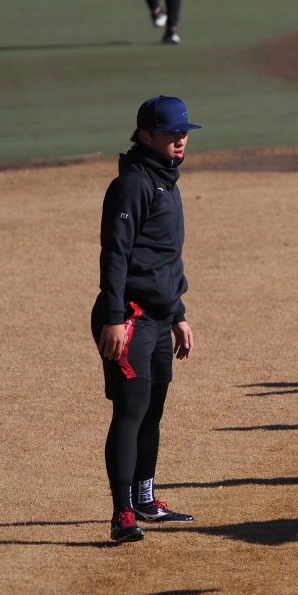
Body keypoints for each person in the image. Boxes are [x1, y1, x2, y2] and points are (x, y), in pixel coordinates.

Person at [93, 95, 200, 543]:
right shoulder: (134, 184)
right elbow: (115, 254)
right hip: (130, 317)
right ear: (145, 135)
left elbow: (165, 259)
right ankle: (122, 514)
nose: (180, 141)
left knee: (152, 412)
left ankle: (146, 498)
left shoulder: (164, 181)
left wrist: (178, 313)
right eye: (172, 134)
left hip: (158, 317)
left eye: (184, 133)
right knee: (131, 411)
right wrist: (114, 318)